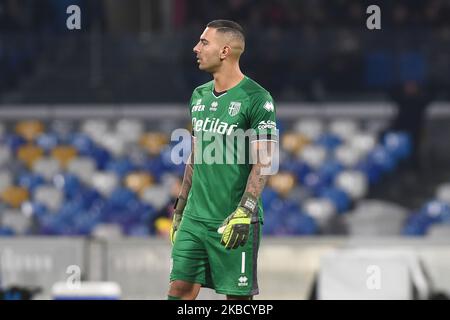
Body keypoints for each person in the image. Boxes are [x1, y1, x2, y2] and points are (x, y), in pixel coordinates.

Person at [167, 20, 278, 300]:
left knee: (237, 300)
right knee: (179, 290)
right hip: (194, 218)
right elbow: (195, 154)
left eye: (204, 42)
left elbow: (263, 161)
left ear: (225, 51)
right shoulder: (198, 96)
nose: (196, 48)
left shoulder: (258, 98)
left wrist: (245, 211)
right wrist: (180, 208)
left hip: (232, 219)